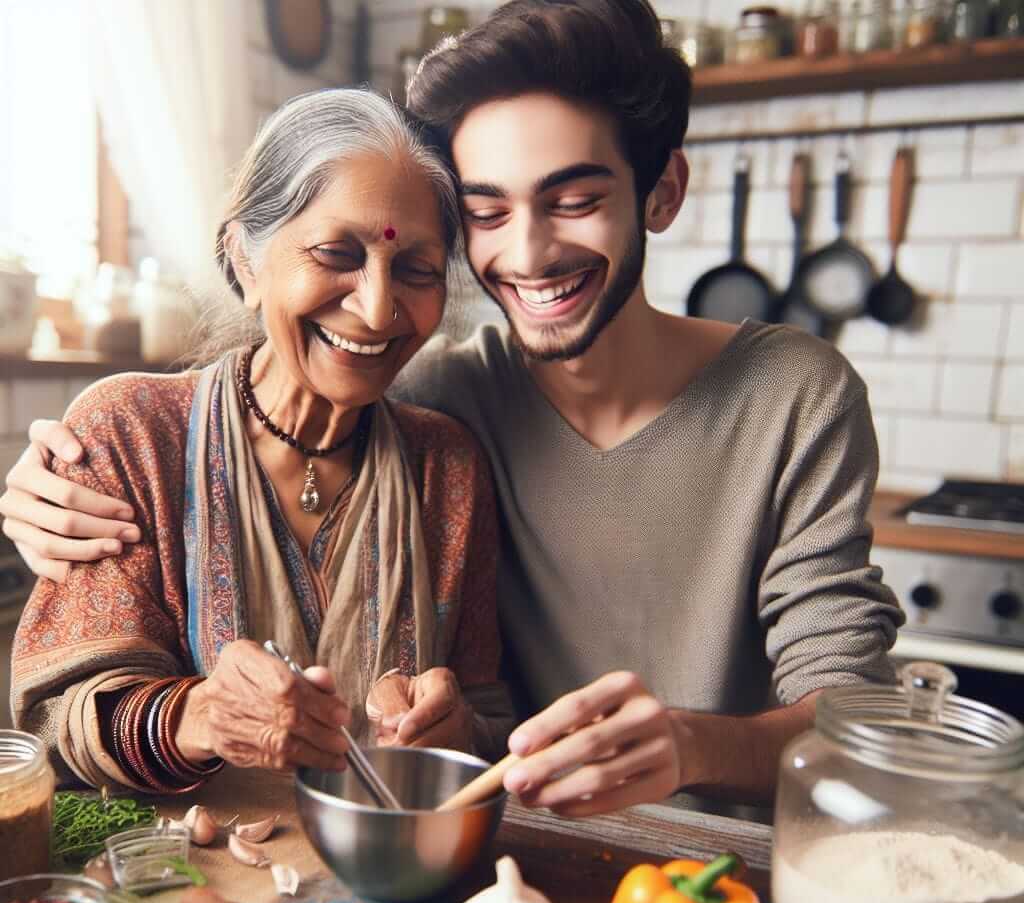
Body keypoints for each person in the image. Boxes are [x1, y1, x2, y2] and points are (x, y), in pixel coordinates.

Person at [2, 0, 902, 814]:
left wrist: (692, 739)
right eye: (488, 213)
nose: (532, 251)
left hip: (724, 864)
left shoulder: (789, 396)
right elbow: (62, 720)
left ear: (662, 193)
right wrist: (40, 479)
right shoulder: (429, 401)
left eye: (577, 201)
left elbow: (854, 721)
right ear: (243, 254)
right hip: (493, 857)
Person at [7, 88, 512, 793]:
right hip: (181, 884)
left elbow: (491, 719)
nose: (375, 308)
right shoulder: (133, 435)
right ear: (245, 260)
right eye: (336, 252)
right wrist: (200, 716)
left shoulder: (445, 467)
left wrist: (456, 729)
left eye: (416, 269)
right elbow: (55, 730)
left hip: (392, 876)